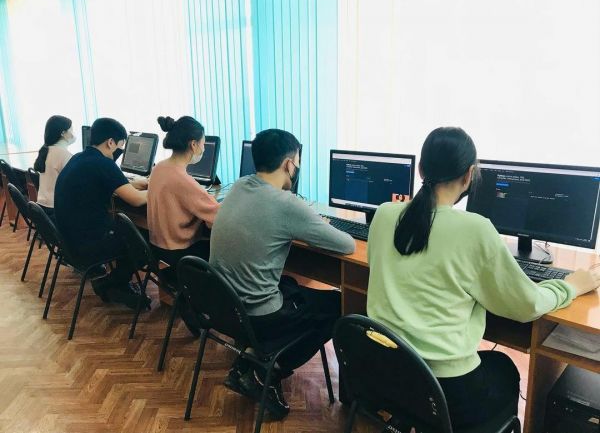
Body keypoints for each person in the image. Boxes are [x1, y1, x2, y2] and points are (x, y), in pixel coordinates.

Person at [366, 127, 600, 430]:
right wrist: (570, 286)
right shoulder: (475, 230)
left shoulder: (384, 214)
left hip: (385, 372)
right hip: (445, 393)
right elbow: (527, 305)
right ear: (469, 175)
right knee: (504, 368)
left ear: (421, 169)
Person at [209, 129, 356, 419]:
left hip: (225, 307)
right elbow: (347, 245)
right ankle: (267, 371)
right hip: (258, 315)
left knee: (288, 283)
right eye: (297, 162)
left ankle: (250, 358)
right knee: (339, 307)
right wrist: (316, 224)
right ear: (289, 164)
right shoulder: (287, 204)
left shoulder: (239, 186)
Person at [54, 117, 150, 309]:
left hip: (68, 240)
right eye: (121, 146)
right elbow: (137, 200)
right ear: (110, 142)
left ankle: (114, 284)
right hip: (88, 244)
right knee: (143, 243)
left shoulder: (80, 158)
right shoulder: (103, 164)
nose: (120, 152)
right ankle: (112, 283)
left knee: (129, 232)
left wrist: (132, 184)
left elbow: (109, 183)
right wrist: (159, 187)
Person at [147, 116, 219, 267]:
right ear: (193, 144)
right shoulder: (182, 180)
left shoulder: (159, 167)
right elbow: (217, 217)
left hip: (158, 249)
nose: (204, 149)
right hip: (179, 254)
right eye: (203, 144)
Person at [33, 115, 74, 218]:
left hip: (43, 208)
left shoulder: (47, 150)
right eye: (71, 130)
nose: (73, 133)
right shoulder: (64, 155)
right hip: (57, 210)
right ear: (63, 133)